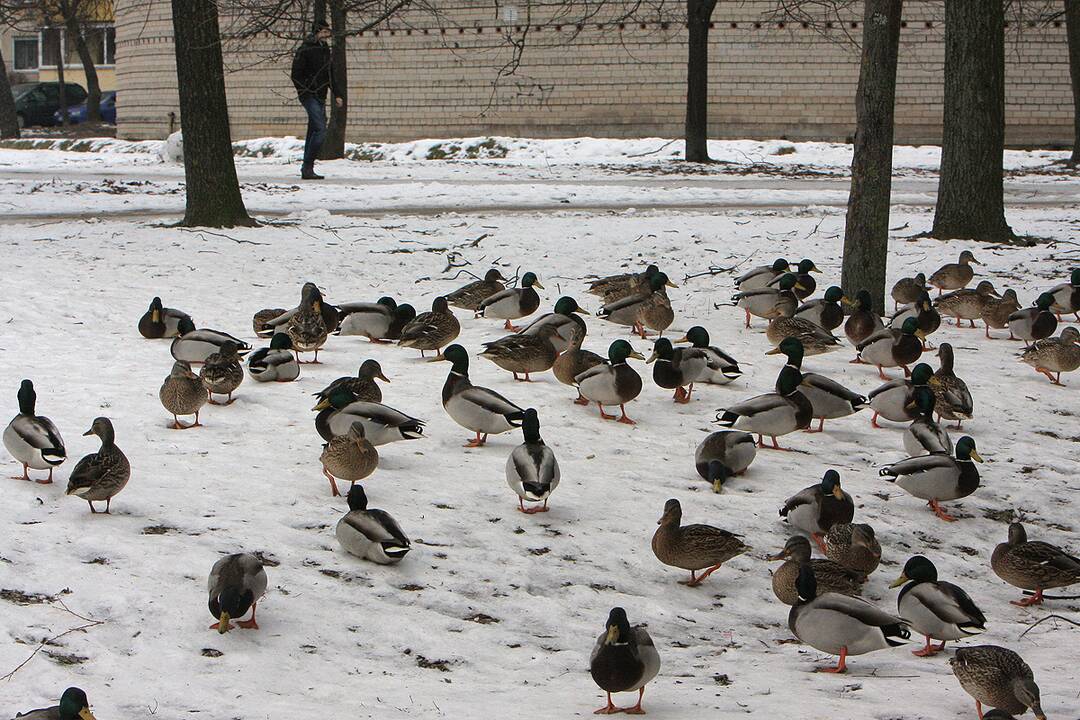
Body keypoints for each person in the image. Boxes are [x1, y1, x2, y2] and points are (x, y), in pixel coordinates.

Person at [290, 21, 344, 180]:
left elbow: (330, 74)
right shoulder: (305, 49)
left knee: (313, 130)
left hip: (321, 94)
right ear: (318, 31)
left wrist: (337, 94)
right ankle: (308, 165)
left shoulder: (325, 50)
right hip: (309, 95)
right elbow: (296, 74)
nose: (328, 34)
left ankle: (307, 169)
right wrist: (306, 90)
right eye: (326, 31)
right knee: (320, 129)